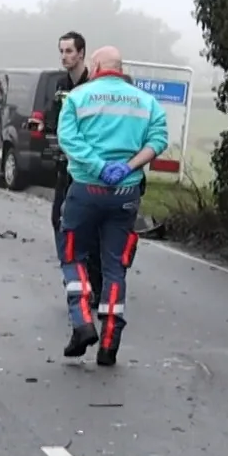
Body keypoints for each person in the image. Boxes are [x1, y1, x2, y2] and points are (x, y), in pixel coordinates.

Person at [54, 46, 169, 366]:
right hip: (125, 194)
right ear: (121, 68)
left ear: (95, 65)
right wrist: (128, 166)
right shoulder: (147, 102)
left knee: (73, 254)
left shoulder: (78, 98)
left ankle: (81, 321)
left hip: (86, 190)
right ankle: (109, 341)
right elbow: (158, 141)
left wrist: (97, 166)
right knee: (115, 266)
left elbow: (69, 140)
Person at [48, 32, 97, 282]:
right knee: (58, 218)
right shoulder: (61, 85)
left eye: (69, 51)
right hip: (64, 166)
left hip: (87, 167)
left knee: (86, 225)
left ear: (81, 53)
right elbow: (54, 119)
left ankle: (89, 275)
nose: (64, 57)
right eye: (61, 51)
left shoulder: (92, 87)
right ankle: (70, 273)